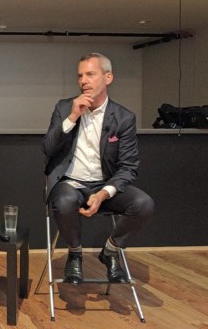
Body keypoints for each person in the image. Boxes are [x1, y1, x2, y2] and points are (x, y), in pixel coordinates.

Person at [42, 52, 154, 284]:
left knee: (143, 204)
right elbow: (48, 149)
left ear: (108, 77)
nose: (83, 80)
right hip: (70, 183)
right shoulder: (64, 108)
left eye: (90, 74)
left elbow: (129, 166)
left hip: (105, 185)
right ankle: (75, 254)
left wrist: (104, 193)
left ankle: (111, 251)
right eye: (80, 76)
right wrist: (73, 117)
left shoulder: (123, 118)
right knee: (63, 202)